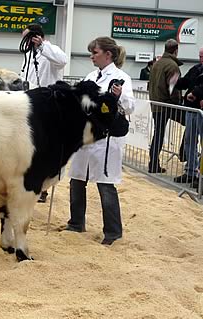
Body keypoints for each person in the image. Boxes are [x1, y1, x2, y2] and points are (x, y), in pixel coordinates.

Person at [62, 36, 135, 245]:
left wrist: (119, 95)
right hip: (85, 136)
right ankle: (76, 223)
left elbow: (130, 107)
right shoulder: (92, 75)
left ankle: (112, 232)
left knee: (105, 184)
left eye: (94, 53)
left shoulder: (121, 78)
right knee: (77, 179)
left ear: (108, 54)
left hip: (105, 139)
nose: (91, 57)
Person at [19, 23, 68, 203]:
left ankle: (44, 188)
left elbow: (62, 61)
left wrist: (42, 47)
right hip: (30, 106)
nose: (25, 42)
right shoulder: (28, 55)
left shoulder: (50, 51)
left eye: (27, 38)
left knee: (46, 150)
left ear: (37, 37)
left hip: (49, 107)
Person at [148, 39, 184, 174]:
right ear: (176, 50)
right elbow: (173, 88)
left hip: (156, 104)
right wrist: (178, 104)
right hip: (167, 105)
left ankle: (153, 163)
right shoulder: (172, 66)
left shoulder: (156, 64)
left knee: (158, 134)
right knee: (192, 122)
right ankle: (184, 153)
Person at [172, 47, 203, 186]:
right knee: (189, 141)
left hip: (200, 110)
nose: (201, 59)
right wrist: (175, 81)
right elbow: (186, 82)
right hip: (191, 109)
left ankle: (200, 176)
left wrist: (195, 93)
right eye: (200, 56)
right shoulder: (196, 69)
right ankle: (191, 171)